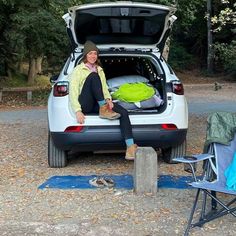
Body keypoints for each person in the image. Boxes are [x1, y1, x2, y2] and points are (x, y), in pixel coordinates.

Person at [69, 40, 137, 160]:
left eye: (95, 53)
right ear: (85, 55)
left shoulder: (99, 69)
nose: (93, 56)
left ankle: (130, 148)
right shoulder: (78, 70)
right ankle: (103, 108)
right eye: (90, 53)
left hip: (99, 104)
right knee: (93, 76)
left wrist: (108, 99)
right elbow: (73, 92)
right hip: (85, 103)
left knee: (124, 112)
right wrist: (78, 110)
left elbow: (104, 88)